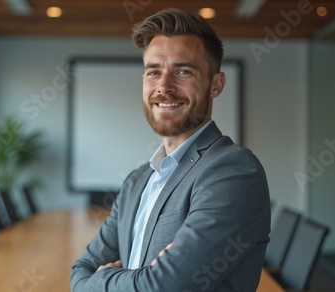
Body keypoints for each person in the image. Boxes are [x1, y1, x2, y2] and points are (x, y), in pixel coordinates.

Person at [70, 8, 270, 292]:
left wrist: (99, 281)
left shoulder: (233, 171)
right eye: (153, 72)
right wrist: (137, 278)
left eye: (183, 71)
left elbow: (165, 287)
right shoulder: (137, 181)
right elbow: (80, 269)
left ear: (216, 85)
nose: (164, 86)